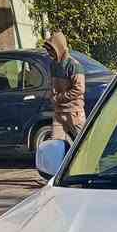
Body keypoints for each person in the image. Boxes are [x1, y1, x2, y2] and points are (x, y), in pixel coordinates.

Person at [39, 32, 85, 178]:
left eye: (51, 50)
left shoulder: (74, 65)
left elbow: (79, 89)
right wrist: (52, 96)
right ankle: (56, 177)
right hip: (59, 113)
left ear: (59, 47)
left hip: (74, 112)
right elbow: (53, 85)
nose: (49, 53)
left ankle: (87, 171)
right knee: (55, 146)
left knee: (84, 144)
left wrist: (59, 97)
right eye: (48, 50)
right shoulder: (53, 65)